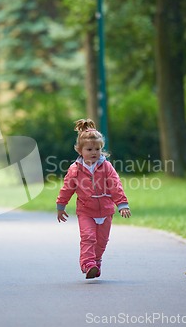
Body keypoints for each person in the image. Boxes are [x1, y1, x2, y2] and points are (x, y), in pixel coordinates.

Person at [56, 119, 131, 279]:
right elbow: (67, 188)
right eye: (89, 149)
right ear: (80, 150)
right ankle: (88, 263)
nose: (94, 152)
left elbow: (115, 185)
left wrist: (122, 204)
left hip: (106, 210)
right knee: (88, 237)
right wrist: (61, 205)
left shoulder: (106, 167)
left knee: (102, 241)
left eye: (97, 149)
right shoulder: (75, 169)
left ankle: (96, 261)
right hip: (86, 211)